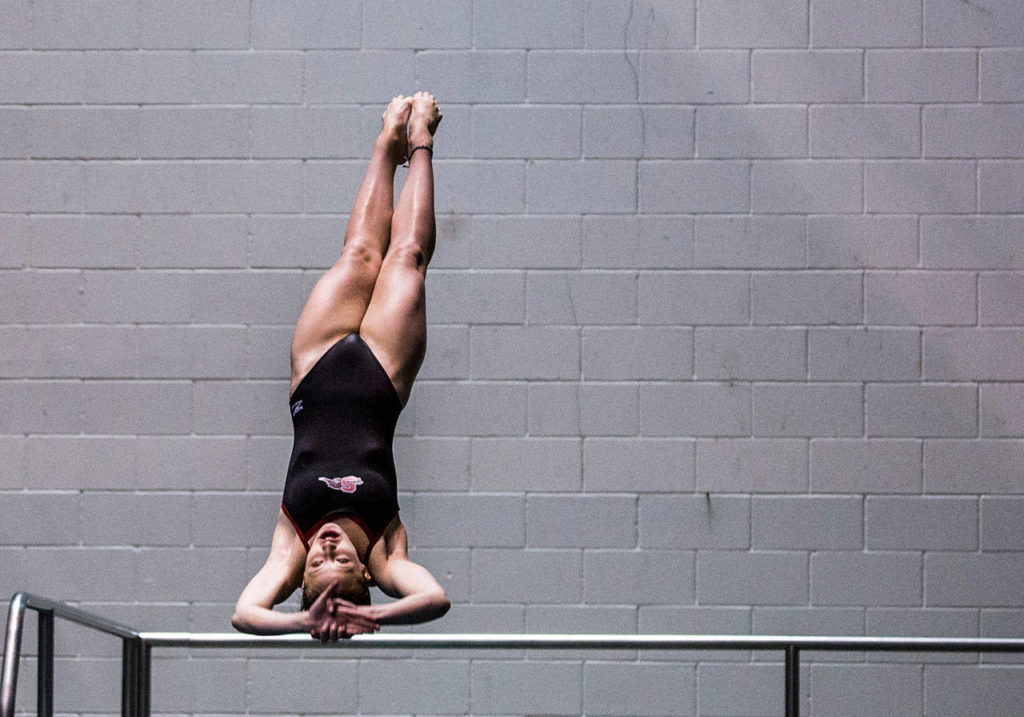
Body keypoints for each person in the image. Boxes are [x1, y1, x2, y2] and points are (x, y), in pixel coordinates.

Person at [232, 93, 449, 641]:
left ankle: (386, 138)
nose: (326, 548)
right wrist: (372, 617)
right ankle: (420, 138)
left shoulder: (290, 544)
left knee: (358, 254)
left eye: (315, 565)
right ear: (365, 573)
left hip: (316, 368)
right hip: (382, 373)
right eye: (340, 562)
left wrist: (302, 620)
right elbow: (433, 598)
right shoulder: (383, 553)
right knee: (405, 260)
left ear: (298, 572)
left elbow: (246, 614)